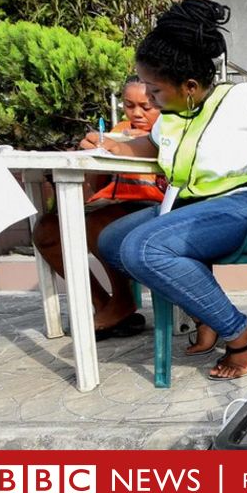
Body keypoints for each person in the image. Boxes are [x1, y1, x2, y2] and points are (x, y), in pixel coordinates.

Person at [85, 0, 247, 379]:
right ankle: (207, 314)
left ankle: (243, 333)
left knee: (142, 248)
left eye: (155, 90)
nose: (148, 99)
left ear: (191, 86)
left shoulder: (243, 98)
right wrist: (111, 146)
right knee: (112, 239)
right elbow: (151, 145)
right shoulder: (172, 115)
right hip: (190, 209)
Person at [33, 77, 163, 339]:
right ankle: (105, 305)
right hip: (111, 202)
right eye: (129, 105)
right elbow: (96, 183)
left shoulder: (168, 131)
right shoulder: (118, 130)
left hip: (153, 203)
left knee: (101, 222)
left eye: (146, 107)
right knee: (46, 230)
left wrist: (144, 145)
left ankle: (122, 299)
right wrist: (96, 150)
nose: (136, 113)